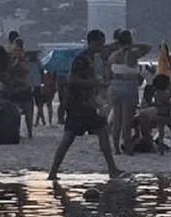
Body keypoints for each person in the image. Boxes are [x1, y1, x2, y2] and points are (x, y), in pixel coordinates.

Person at [47, 29, 123, 180]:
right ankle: (53, 172)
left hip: (90, 104)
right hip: (78, 104)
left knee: (102, 133)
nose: (101, 46)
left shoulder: (94, 59)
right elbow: (72, 79)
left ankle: (112, 169)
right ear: (92, 43)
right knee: (68, 138)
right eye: (99, 44)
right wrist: (93, 82)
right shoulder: (81, 59)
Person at [108, 29, 151, 154]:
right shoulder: (132, 54)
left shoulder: (113, 55)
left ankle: (116, 148)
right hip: (129, 86)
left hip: (115, 85)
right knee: (127, 120)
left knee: (117, 119)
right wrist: (132, 45)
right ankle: (127, 147)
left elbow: (108, 74)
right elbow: (148, 47)